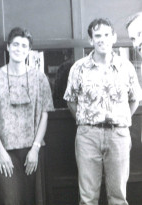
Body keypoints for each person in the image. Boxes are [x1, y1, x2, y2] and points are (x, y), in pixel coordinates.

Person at [64, 18, 142, 205]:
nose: (102, 39)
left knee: (118, 196)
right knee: (88, 197)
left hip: (118, 135)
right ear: (91, 40)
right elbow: (70, 101)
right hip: (88, 136)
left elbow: (135, 99)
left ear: (114, 37)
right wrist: (88, 121)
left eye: (106, 35)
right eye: (97, 36)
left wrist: (120, 119)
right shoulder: (79, 68)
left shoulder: (126, 67)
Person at [0, 27, 54, 205]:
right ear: (8, 47)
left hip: (31, 153)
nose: (19, 49)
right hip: (2, 153)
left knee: (33, 200)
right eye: (16, 44)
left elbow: (45, 114)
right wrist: (1, 152)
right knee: (8, 199)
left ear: (29, 50)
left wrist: (35, 149)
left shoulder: (40, 78)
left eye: (24, 46)